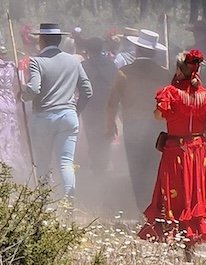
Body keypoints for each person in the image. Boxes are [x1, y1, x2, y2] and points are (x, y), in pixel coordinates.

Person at [138, 49, 206, 260]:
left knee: (173, 193)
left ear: (178, 69)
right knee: (194, 196)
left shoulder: (170, 93)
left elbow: (158, 116)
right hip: (199, 149)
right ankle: (190, 247)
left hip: (176, 150)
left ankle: (172, 237)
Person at [23, 23, 93, 202]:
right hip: (68, 116)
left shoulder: (37, 61)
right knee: (65, 164)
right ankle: (68, 207)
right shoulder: (73, 61)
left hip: (43, 117)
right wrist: (75, 111)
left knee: (43, 164)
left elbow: (33, 89)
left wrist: (21, 93)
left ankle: (43, 207)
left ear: (42, 40)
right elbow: (87, 91)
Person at [106, 29, 170, 214]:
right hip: (159, 128)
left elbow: (112, 102)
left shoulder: (123, 72)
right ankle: (158, 209)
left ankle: (144, 208)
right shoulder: (165, 74)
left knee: (137, 169)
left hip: (133, 126)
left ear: (137, 49)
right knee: (156, 168)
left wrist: (110, 125)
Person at [80, 37, 118, 174]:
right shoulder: (111, 65)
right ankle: (102, 165)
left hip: (90, 108)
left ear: (88, 50)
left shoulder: (84, 66)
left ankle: (97, 167)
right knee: (105, 137)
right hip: (107, 107)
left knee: (92, 137)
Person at [0, 45, 29, 179]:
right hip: (10, 106)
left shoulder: (11, 67)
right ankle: (14, 171)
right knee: (10, 140)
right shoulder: (12, 67)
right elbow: (18, 88)